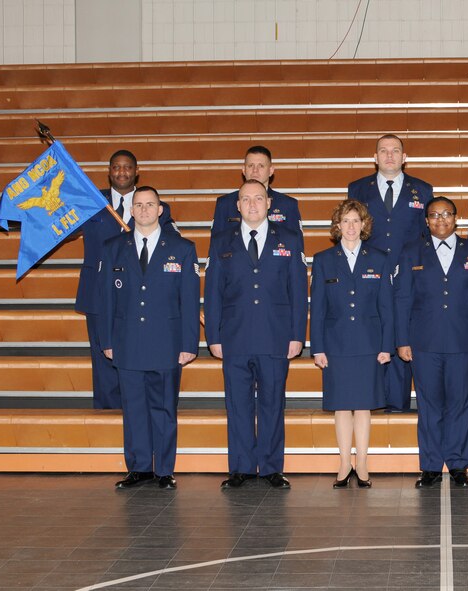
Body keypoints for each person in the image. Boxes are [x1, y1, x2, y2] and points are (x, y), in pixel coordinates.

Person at [204, 179, 307, 489]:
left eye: (258, 199)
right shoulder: (221, 240)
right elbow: (212, 292)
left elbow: (299, 291)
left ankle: (272, 467)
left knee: (273, 403)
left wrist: (297, 334)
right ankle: (241, 467)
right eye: (246, 199)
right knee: (238, 404)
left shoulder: (289, 238)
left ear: (269, 204)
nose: (252, 204)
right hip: (234, 337)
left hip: (276, 336)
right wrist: (213, 335)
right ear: (237, 205)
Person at [98, 186, 200, 490]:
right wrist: (107, 341)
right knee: (133, 409)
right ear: (131, 210)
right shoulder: (113, 247)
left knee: (165, 408)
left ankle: (164, 470)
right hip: (127, 342)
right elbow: (105, 300)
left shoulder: (182, 248)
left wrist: (189, 344)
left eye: (150, 204)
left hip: (166, 343)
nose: (143, 209)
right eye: (138, 204)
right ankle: (139, 467)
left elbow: (190, 300)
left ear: (160, 210)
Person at [395, 197, 468, 489]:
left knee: (462, 404)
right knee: (429, 406)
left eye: (446, 214)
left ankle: (459, 464)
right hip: (423, 343)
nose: (441, 220)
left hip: (465, 342)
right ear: (426, 220)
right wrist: (401, 340)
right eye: (434, 215)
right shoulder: (412, 252)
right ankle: (430, 466)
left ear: (456, 218)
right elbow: (402, 299)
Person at [75, 150, 175, 409]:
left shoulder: (150, 204)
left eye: (127, 167)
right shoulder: (91, 200)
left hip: (138, 296)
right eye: (116, 167)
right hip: (98, 293)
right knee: (103, 360)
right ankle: (108, 420)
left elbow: (169, 244)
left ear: (136, 171)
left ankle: (137, 415)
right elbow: (64, 227)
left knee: (136, 360)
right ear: (109, 172)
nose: (122, 172)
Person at [310, 200, 393, 489]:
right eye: (345, 221)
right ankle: (345, 463)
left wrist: (387, 345)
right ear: (337, 225)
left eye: (356, 221)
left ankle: (363, 463)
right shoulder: (323, 259)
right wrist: (317, 347)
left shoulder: (380, 258)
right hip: (336, 344)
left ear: (364, 225)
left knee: (364, 406)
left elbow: (387, 307)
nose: (351, 226)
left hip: (369, 343)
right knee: (342, 406)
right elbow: (318, 308)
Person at [348, 134, 434, 412]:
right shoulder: (358, 188)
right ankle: (370, 402)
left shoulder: (422, 190)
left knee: (403, 339)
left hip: (408, 279)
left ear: (404, 157)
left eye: (395, 151)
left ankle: (398, 405)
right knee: (372, 337)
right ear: (374, 157)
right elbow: (351, 233)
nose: (389, 156)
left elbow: (427, 237)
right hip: (368, 278)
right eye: (383, 151)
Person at [210, 145, 302, 237]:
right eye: (250, 166)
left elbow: (296, 246)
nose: (255, 170)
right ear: (243, 170)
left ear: (271, 171)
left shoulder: (288, 205)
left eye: (261, 166)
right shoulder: (224, 204)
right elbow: (216, 245)